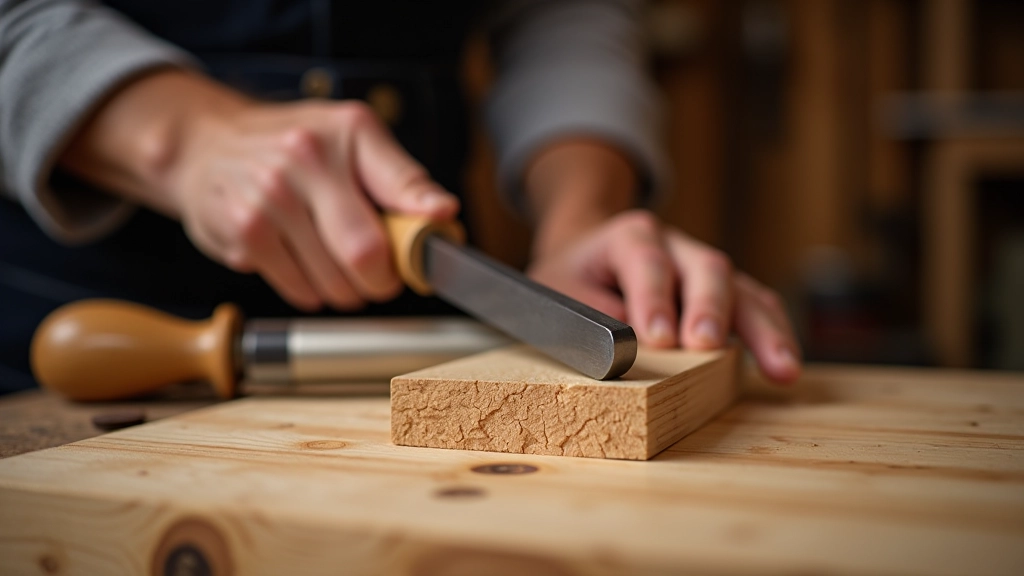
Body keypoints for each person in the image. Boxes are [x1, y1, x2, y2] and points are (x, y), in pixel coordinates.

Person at [0, 0, 801, 394]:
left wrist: (578, 214)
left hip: (423, 333)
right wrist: (182, 138)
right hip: (91, 317)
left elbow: (567, 11)